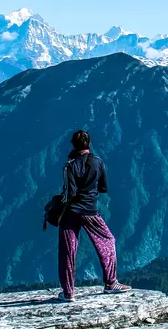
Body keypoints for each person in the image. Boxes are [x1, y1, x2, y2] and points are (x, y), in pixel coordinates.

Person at [57, 129, 131, 301]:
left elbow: (70, 191)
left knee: (68, 251)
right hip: (90, 211)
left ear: (74, 145)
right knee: (107, 241)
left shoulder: (70, 165)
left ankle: (68, 293)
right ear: (89, 144)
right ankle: (111, 283)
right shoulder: (98, 162)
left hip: (70, 212)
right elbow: (104, 188)